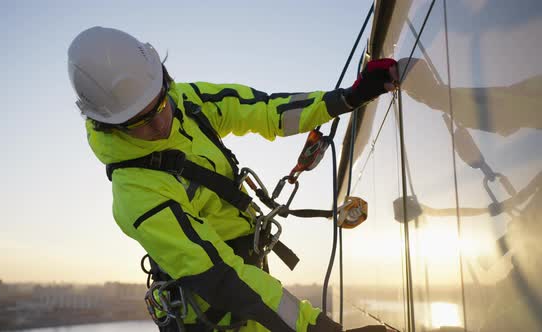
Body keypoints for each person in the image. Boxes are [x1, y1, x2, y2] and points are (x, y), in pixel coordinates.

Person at [67, 26, 398, 332]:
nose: (160, 123)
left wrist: (347, 98)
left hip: (249, 279)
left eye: (159, 104)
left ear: (165, 81)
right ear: (108, 125)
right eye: (137, 122)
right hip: (218, 314)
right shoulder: (137, 193)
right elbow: (224, 278)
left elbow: (266, 110)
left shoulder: (185, 101)